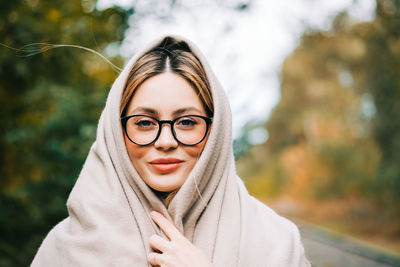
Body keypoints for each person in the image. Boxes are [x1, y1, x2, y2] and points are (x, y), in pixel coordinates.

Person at [32, 35, 310, 266]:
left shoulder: (278, 243)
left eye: (187, 122)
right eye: (144, 122)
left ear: (216, 131)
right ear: (116, 133)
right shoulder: (64, 249)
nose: (165, 141)